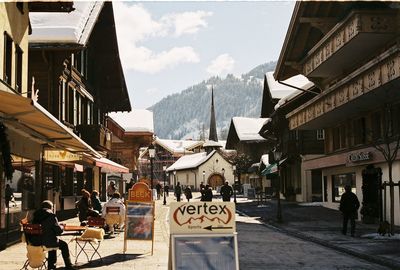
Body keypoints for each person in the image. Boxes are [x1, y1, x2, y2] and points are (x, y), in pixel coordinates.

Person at [31, 200, 75, 270]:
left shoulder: (35, 215)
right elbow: (58, 231)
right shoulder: (51, 215)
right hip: (47, 242)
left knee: (52, 243)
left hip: (35, 242)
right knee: (63, 245)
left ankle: (51, 266)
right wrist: (62, 227)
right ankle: (68, 266)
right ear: (50, 207)